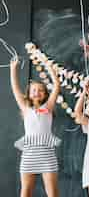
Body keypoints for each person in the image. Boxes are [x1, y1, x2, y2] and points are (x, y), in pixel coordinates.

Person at [10, 57, 61, 197]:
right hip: (29, 153)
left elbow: (57, 86)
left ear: (45, 95)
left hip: (46, 153)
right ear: (29, 94)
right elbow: (15, 89)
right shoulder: (26, 108)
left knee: (52, 191)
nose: (36, 92)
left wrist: (49, 68)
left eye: (40, 90)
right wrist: (13, 70)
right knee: (26, 190)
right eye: (33, 90)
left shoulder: (48, 107)